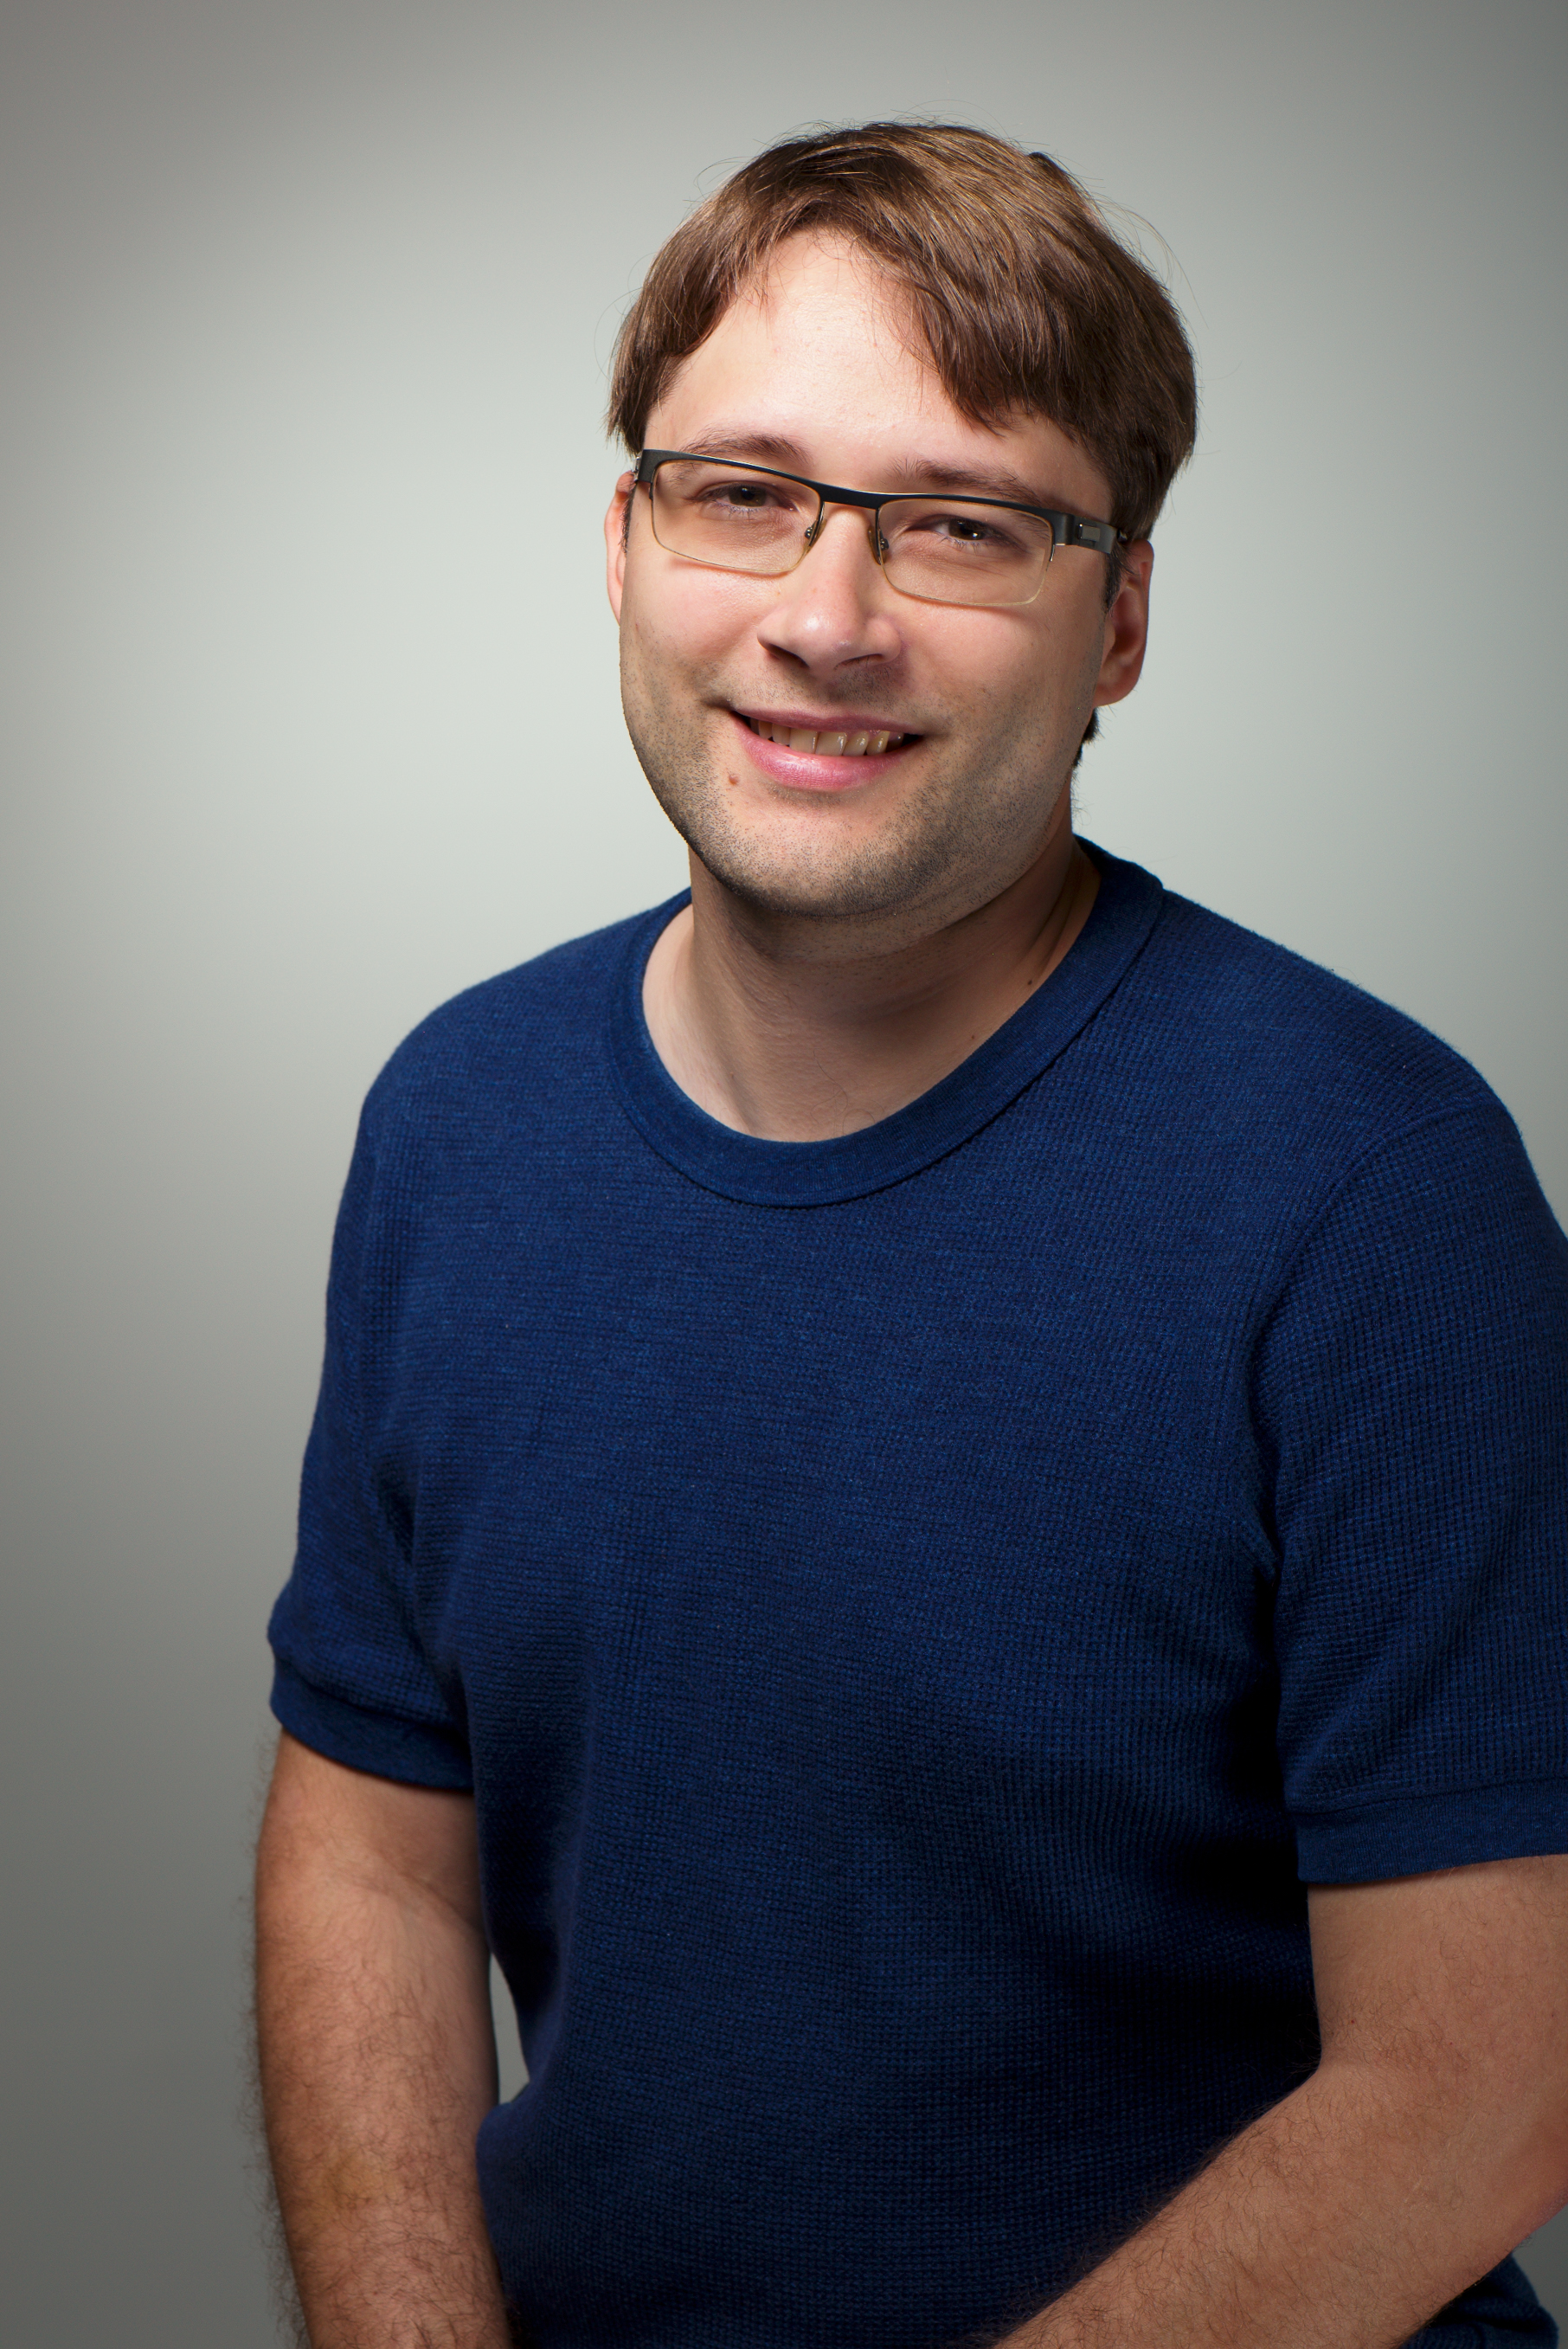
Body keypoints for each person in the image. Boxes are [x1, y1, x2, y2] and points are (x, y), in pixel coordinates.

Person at [255, 121, 1568, 2349]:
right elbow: (372, 1854)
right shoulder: (455, 1120)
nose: (827, 616)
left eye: (961, 523)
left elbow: (1483, 2079)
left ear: (1118, 620)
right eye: (742, 492)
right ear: (622, 541)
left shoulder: (1375, 1186)